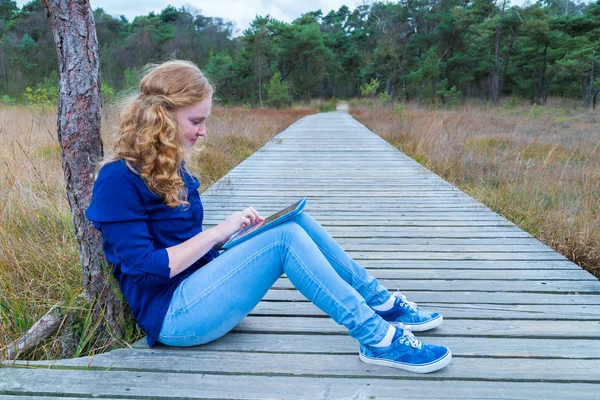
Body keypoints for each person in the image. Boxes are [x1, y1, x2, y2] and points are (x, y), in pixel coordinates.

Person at [86, 60, 452, 374]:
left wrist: (236, 237)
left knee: (292, 223)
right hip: (174, 317)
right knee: (283, 240)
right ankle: (377, 339)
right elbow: (146, 268)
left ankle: (382, 303)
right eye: (196, 121)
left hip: (201, 290)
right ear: (162, 118)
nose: (203, 131)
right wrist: (218, 233)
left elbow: (185, 247)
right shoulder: (117, 179)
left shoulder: (170, 168)